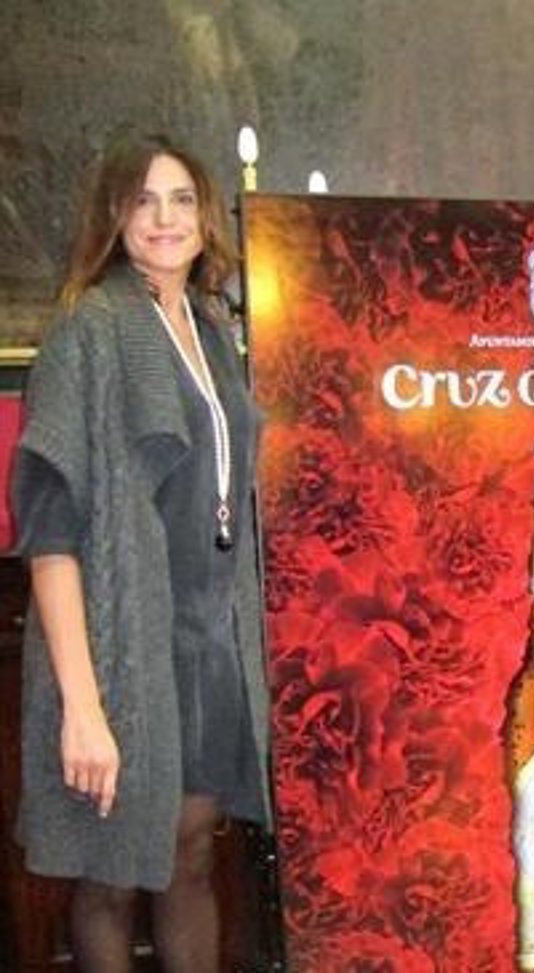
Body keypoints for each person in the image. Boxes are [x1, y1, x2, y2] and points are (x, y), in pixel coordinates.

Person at [10, 132, 271, 973]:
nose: (165, 219)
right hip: (122, 649)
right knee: (112, 877)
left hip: (207, 644)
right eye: (144, 201)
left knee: (190, 853)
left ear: (205, 215)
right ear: (115, 217)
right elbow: (50, 534)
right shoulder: (88, 330)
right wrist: (83, 707)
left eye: (182, 199)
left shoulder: (210, 327)